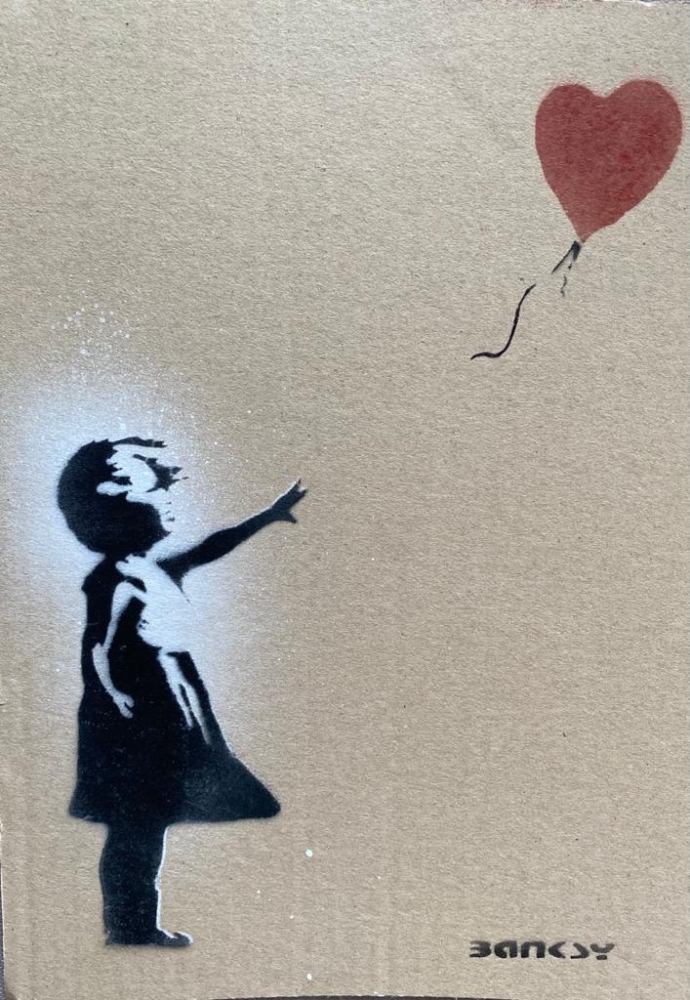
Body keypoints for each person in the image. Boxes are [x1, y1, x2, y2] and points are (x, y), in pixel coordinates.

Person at [57, 436, 306, 947]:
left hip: (167, 708)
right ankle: (130, 928)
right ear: (118, 507)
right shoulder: (112, 578)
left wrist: (268, 516)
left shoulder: (153, 568)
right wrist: (115, 695)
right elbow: (97, 645)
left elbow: (209, 547)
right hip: (136, 718)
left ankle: (135, 926)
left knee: (149, 823)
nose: (170, 499)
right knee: (137, 826)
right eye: (156, 491)